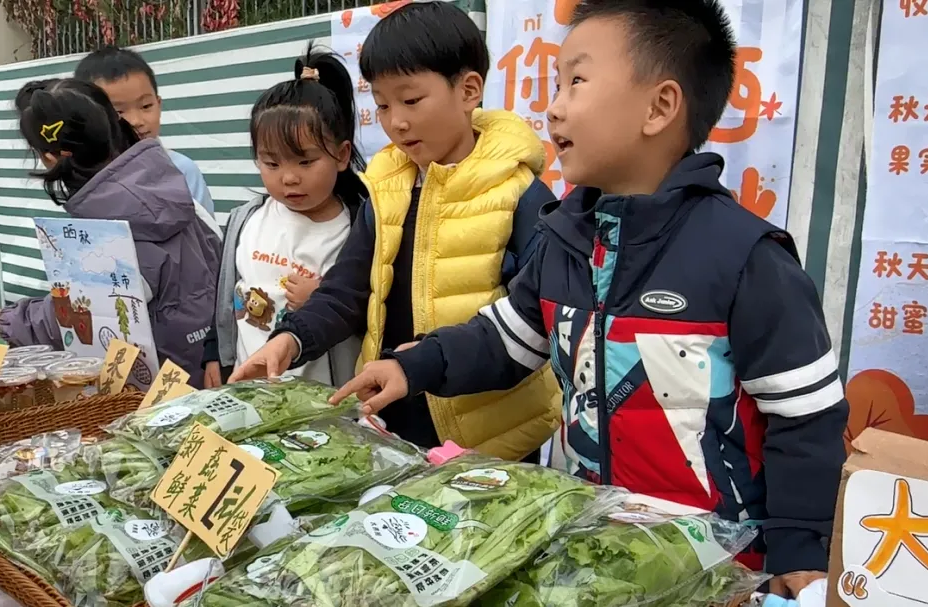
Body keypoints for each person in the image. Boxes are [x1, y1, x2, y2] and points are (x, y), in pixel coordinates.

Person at [329, 0, 848, 598]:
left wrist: (798, 550)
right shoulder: (566, 239)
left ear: (659, 107)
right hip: (593, 551)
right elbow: (506, 338)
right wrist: (413, 365)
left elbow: (805, 417)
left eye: (576, 81)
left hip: (717, 566)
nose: (553, 107)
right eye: (556, 84)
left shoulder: (746, 257)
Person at [230, 1, 560, 462]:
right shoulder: (386, 191)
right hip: (392, 415)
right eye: (382, 104)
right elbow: (347, 290)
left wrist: (424, 363)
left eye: (411, 100)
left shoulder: (519, 194)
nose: (395, 121)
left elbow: (534, 324)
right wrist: (292, 338)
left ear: (468, 90)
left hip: (490, 436)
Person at [0, 78, 221, 388]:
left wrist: (14, 321)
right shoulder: (178, 191)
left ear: (50, 157)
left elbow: (86, 314)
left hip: (158, 395)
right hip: (213, 368)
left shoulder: (104, 230)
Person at [202, 48, 364, 389]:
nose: (289, 178)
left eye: (305, 162)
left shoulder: (359, 228)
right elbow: (226, 295)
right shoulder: (244, 220)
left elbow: (378, 313)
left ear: (341, 155)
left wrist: (322, 298)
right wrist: (215, 353)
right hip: (251, 391)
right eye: (272, 164)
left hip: (327, 403)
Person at [74, 45, 217, 220]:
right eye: (118, 112)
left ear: (159, 104)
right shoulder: (87, 175)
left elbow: (207, 232)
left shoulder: (182, 170)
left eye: (146, 106)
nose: (136, 121)